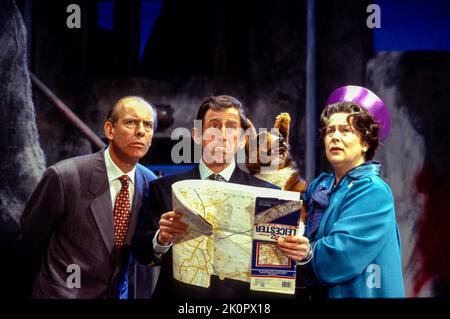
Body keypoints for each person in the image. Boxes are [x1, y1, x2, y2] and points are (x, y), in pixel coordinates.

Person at [132, 95, 279, 299]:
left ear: (243, 139)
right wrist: (161, 238)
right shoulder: (163, 188)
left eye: (231, 127)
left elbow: (275, 268)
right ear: (197, 135)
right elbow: (140, 253)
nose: (223, 135)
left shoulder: (269, 195)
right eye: (214, 125)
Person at [20, 96, 158, 299]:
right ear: (109, 130)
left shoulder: (150, 183)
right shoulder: (64, 176)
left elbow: (143, 250)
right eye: (131, 122)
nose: (140, 131)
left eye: (148, 125)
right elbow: (31, 241)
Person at [277, 86, 405, 298]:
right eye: (330, 131)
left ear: (365, 143)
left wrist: (307, 253)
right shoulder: (321, 187)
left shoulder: (372, 189)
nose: (335, 137)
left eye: (346, 130)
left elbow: (343, 254)